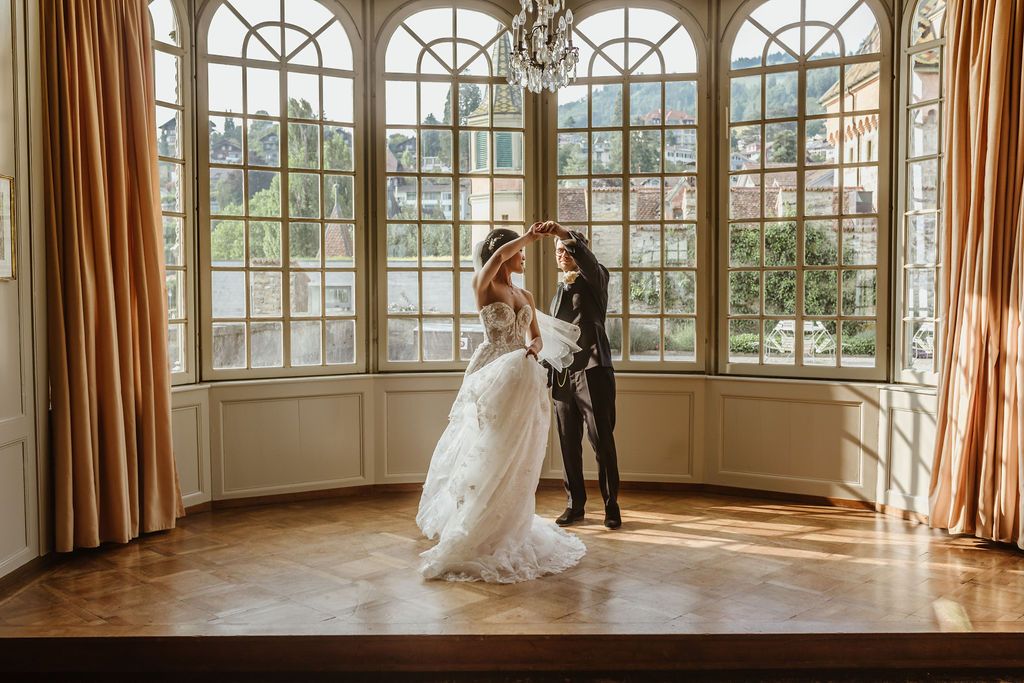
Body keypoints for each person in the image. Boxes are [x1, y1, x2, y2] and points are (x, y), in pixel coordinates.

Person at [415, 225, 586, 583]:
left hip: (521, 376)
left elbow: (535, 335)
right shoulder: (484, 285)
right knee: (485, 448)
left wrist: (535, 348)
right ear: (507, 253)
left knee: (517, 452)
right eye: (519, 252)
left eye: (523, 251)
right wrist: (527, 237)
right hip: (491, 372)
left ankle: (507, 521)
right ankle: (474, 524)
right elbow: (494, 260)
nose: (524, 256)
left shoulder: (526, 294)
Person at [533, 220, 621, 530]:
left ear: (579, 250)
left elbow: (584, 258)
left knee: (602, 442)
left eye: (566, 250)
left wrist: (561, 233)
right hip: (562, 376)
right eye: (557, 252)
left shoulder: (596, 278)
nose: (561, 254)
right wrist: (540, 369)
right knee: (568, 444)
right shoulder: (560, 290)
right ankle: (575, 505)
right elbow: (556, 336)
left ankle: (612, 507)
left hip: (594, 370)